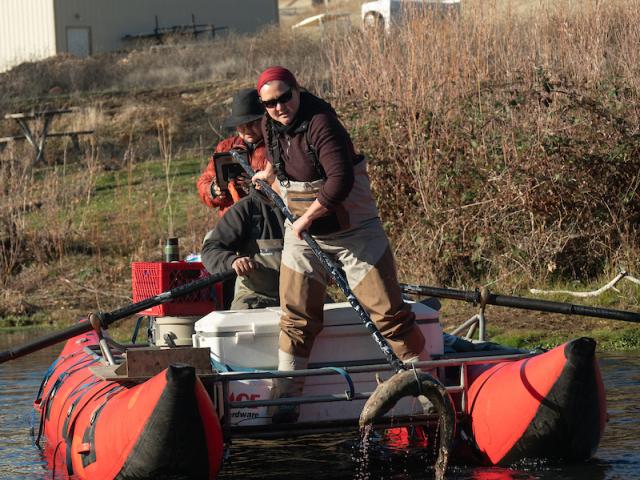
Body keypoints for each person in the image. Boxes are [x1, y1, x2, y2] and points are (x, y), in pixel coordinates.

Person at [252, 67, 428, 423]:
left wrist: (304, 218)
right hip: (304, 235)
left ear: (297, 90)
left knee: (389, 314)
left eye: (285, 97)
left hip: (353, 232)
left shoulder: (322, 123)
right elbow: (278, 153)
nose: (279, 107)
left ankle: (423, 388)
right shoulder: (270, 123)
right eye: (270, 103)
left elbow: (341, 180)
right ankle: (287, 397)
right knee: (296, 314)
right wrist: (269, 174)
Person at [201, 186, 284, 310]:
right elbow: (211, 248)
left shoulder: (310, 208)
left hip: (305, 296)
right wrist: (233, 261)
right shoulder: (247, 208)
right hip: (257, 296)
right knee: (238, 319)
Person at [197, 88, 268, 217]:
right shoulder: (225, 147)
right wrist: (214, 190)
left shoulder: (275, 145)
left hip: (266, 218)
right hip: (231, 220)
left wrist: (257, 186)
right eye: (241, 125)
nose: (247, 130)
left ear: (264, 120)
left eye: (252, 123)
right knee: (210, 238)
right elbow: (204, 180)